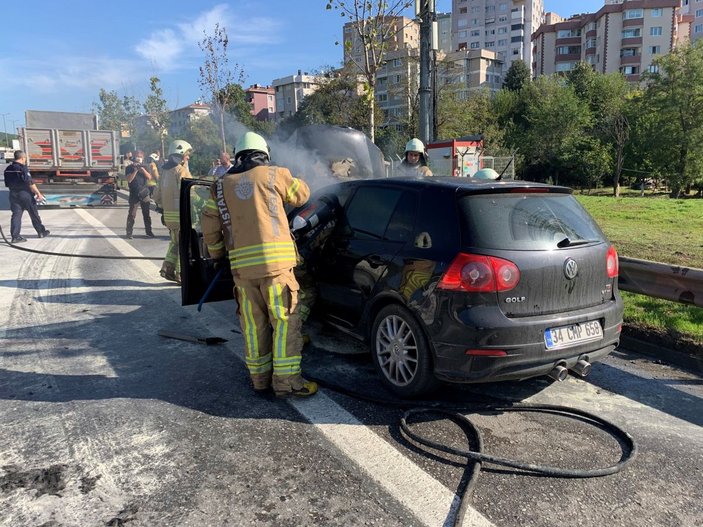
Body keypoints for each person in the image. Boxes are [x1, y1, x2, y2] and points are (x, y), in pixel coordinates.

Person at [201, 132, 316, 398]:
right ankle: (288, 383)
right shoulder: (275, 174)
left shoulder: (220, 186)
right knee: (285, 322)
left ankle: (260, 380)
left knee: (254, 327)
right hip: (276, 269)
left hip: (243, 272)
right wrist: (294, 175)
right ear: (264, 154)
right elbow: (302, 195)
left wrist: (218, 255)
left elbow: (209, 224)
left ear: (238, 155)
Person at [153, 140, 193, 283]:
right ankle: (181, 275)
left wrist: (163, 207)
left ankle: (167, 267)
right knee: (184, 244)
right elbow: (190, 192)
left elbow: (156, 194)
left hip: (169, 217)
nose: (188, 157)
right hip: (182, 216)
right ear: (181, 154)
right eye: (187, 154)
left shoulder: (164, 171)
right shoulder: (181, 171)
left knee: (175, 242)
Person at [4, 150, 50, 243]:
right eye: (25, 159)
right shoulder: (22, 168)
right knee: (33, 214)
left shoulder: (8, 168)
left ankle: (15, 237)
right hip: (25, 194)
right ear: (22, 158)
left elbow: (7, 184)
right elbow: (29, 182)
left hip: (13, 194)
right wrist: (38, 193)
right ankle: (41, 232)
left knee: (16, 215)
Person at [124, 151, 154, 239]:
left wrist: (143, 170)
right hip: (134, 193)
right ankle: (129, 232)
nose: (138, 158)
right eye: (137, 156)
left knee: (146, 214)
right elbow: (129, 180)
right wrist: (136, 170)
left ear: (143, 158)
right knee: (132, 214)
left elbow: (149, 177)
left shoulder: (146, 166)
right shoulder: (129, 168)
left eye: (140, 156)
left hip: (144, 193)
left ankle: (149, 231)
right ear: (134, 157)